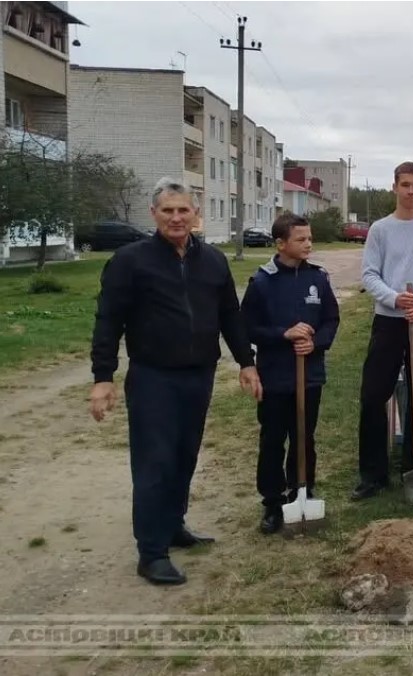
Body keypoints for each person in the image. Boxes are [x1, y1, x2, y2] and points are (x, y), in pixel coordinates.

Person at [89, 177, 263, 585]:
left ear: (195, 214)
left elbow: (229, 315)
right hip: (153, 377)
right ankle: (151, 552)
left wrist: (246, 362)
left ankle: (172, 525)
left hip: (198, 374)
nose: (176, 217)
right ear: (154, 214)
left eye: (183, 209)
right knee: (155, 462)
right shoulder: (131, 261)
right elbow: (108, 320)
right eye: (167, 210)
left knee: (185, 455)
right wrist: (103, 377)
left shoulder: (213, 261)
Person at [352, 161, 413, 501]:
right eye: (405, 184)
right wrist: (395, 298)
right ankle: (373, 474)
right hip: (389, 320)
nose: (410, 191)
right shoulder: (380, 230)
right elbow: (369, 274)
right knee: (373, 395)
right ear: (394, 187)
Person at [240, 214, 340, 534]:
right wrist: (283, 334)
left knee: (304, 437)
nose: (308, 244)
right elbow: (248, 327)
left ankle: (302, 490)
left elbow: (331, 319)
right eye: (301, 239)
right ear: (281, 244)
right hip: (275, 376)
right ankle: (272, 501)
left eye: (310, 238)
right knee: (273, 439)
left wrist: (316, 342)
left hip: (309, 376)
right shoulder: (262, 282)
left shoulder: (318, 278)